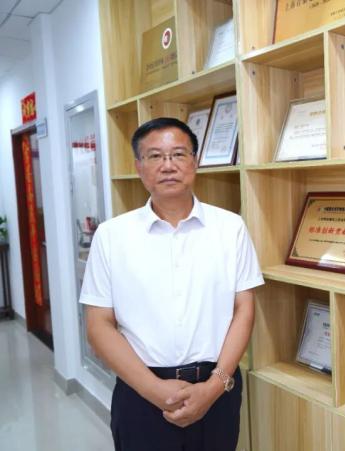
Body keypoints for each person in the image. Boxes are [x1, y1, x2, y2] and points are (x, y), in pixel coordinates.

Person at [80, 117, 263, 451]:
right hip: (140, 396)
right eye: (154, 156)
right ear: (139, 166)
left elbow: (244, 310)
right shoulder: (111, 236)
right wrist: (154, 390)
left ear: (195, 161)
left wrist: (213, 387)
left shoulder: (230, 228)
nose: (168, 165)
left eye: (178, 154)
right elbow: (98, 325)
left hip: (217, 391)